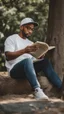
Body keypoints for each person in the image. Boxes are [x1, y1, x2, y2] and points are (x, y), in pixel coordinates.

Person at [4, 17, 64, 100]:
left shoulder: (31, 43)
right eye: (28, 28)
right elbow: (8, 56)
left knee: (45, 62)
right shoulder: (12, 39)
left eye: (32, 29)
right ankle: (37, 90)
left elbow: (33, 60)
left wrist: (40, 56)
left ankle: (61, 88)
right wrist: (24, 51)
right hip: (15, 70)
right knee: (27, 61)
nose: (30, 31)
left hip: (29, 68)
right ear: (21, 27)